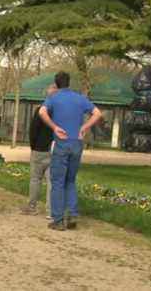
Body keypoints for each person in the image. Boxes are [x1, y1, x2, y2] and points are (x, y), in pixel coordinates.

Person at [39, 72, 102, 231]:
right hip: (77, 143)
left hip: (61, 142)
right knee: (71, 180)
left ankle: (58, 219)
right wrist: (85, 127)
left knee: (58, 181)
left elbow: (42, 112)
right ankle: (72, 214)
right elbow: (97, 113)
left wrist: (54, 127)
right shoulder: (79, 98)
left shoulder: (53, 97)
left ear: (56, 83)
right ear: (69, 82)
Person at [20, 83, 57, 217]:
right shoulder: (60, 112)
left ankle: (32, 207)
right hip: (55, 149)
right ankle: (51, 211)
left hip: (39, 148)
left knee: (35, 179)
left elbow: (33, 130)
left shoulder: (41, 110)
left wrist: (33, 146)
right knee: (52, 182)